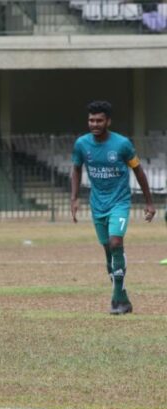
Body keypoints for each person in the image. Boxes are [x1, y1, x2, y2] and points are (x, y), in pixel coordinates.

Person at [71, 100, 155, 315]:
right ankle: (123, 297)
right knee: (108, 250)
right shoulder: (81, 144)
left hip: (120, 201)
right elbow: (77, 169)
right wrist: (74, 198)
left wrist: (148, 201)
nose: (94, 124)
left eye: (99, 120)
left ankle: (115, 298)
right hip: (97, 204)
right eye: (91, 120)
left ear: (108, 121)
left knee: (116, 242)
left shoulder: (122, 144)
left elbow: (139, 172)